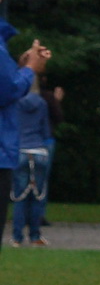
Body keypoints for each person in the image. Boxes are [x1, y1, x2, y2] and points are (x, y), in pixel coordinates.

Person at [0, 15, 50, 243]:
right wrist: (29, 69)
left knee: (19, 198)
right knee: (36, 197)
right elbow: (6, 90)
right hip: (22, 149)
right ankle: (36, 235)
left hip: (18, 151)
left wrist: (20, 69)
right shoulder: (40, 103)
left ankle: (18, 236)